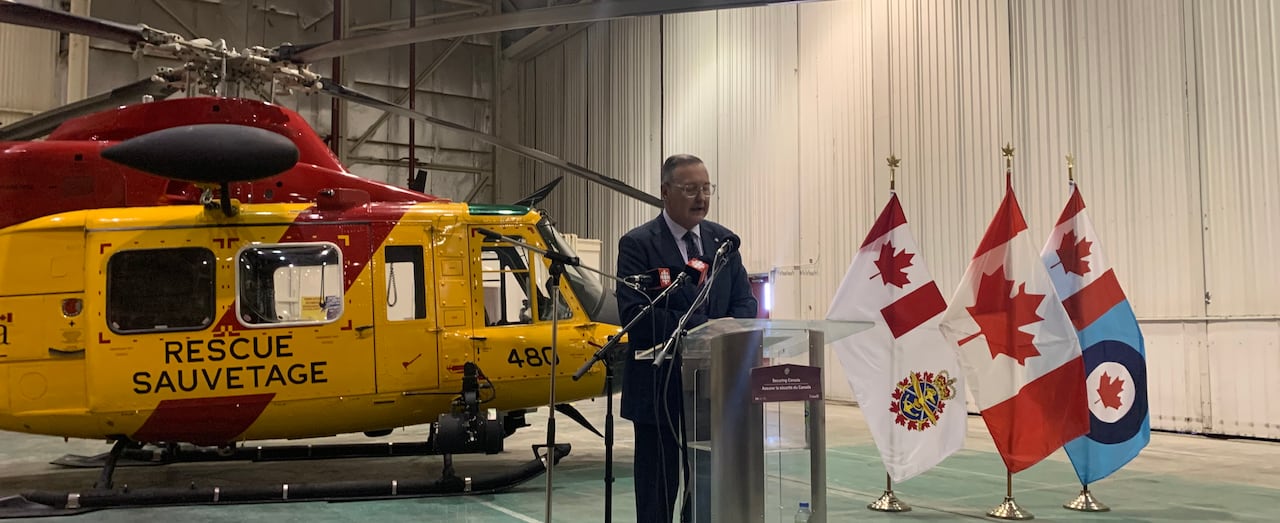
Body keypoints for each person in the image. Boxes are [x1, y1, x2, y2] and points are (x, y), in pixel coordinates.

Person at [615, 153, 759, 523]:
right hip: (658, 387)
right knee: (657, 491)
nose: (701, 198)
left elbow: (745, 303)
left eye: (706, 189)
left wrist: (722, 329)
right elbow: (636, 315)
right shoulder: (638, 244)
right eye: (691, 189)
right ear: (665, 192)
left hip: (713, 387)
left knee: (707, 490)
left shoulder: (723, 242)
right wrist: (705, 326)